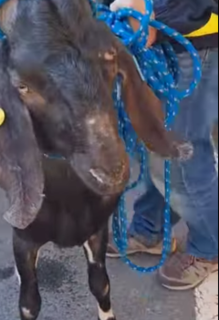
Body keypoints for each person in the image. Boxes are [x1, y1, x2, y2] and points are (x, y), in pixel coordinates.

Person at [105, 0, 219, 291]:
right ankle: (149, 229)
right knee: (154, 143)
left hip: (195, 38)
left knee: (183, 155)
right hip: (161, 36)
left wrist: (153, 10)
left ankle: (210, 247)